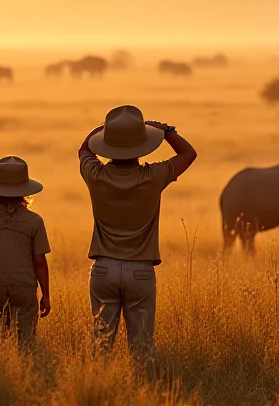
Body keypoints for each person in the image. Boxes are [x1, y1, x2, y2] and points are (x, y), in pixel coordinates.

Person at [79, 105, 197, 360]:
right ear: (142, 145)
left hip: (103, 269)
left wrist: (104, 130)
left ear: (107, 144)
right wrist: (165, 130)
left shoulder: (95, 175)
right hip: (141, 271)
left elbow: (84, 149)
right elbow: (189, 153)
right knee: (142, 349)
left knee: (100, 348)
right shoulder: (153, 176)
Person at [0, 156, 51, 348]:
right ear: (25, 191)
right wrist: (45, 294)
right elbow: (39, 261)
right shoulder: (34, 221)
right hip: (24, 284)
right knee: (26, 339)